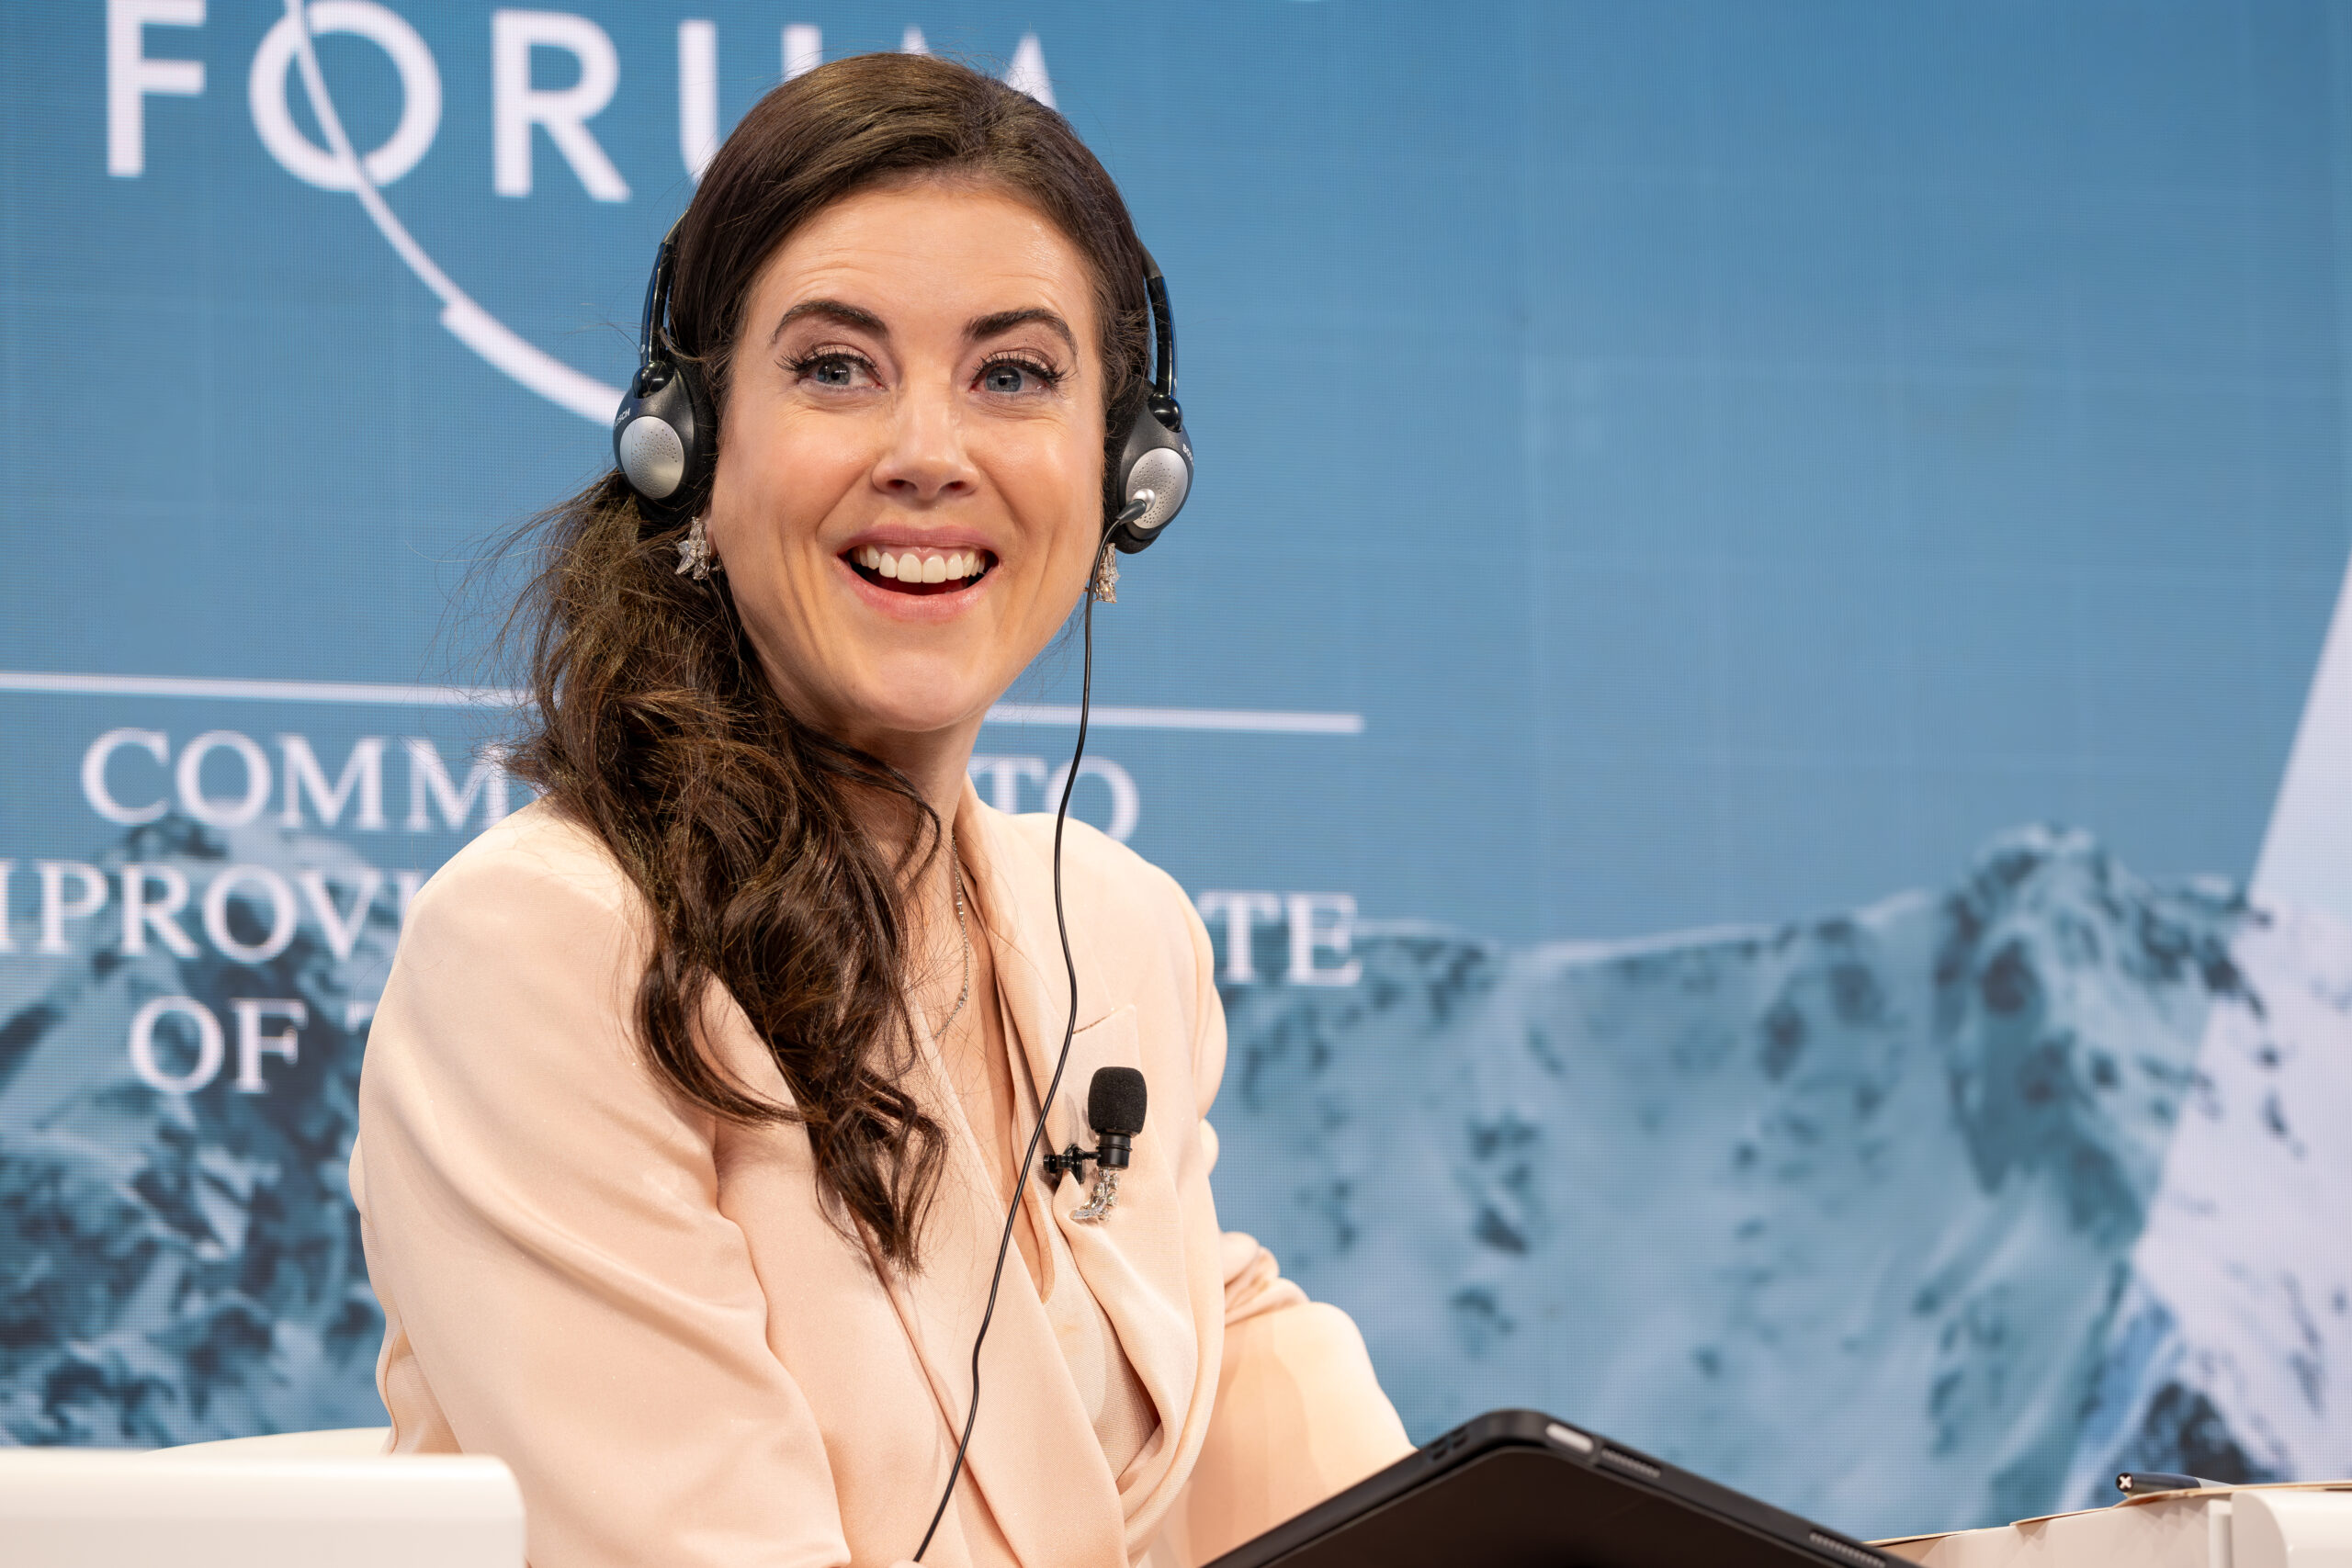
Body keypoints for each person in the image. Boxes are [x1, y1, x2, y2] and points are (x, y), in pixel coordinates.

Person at [350, 51, 1410, 1568]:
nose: (929, 452)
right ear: (694, 446)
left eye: (1016, 375)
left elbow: (1243, 1378)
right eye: (836, 367)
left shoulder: (1122, 931)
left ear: (1126, 470)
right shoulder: (545, 948)